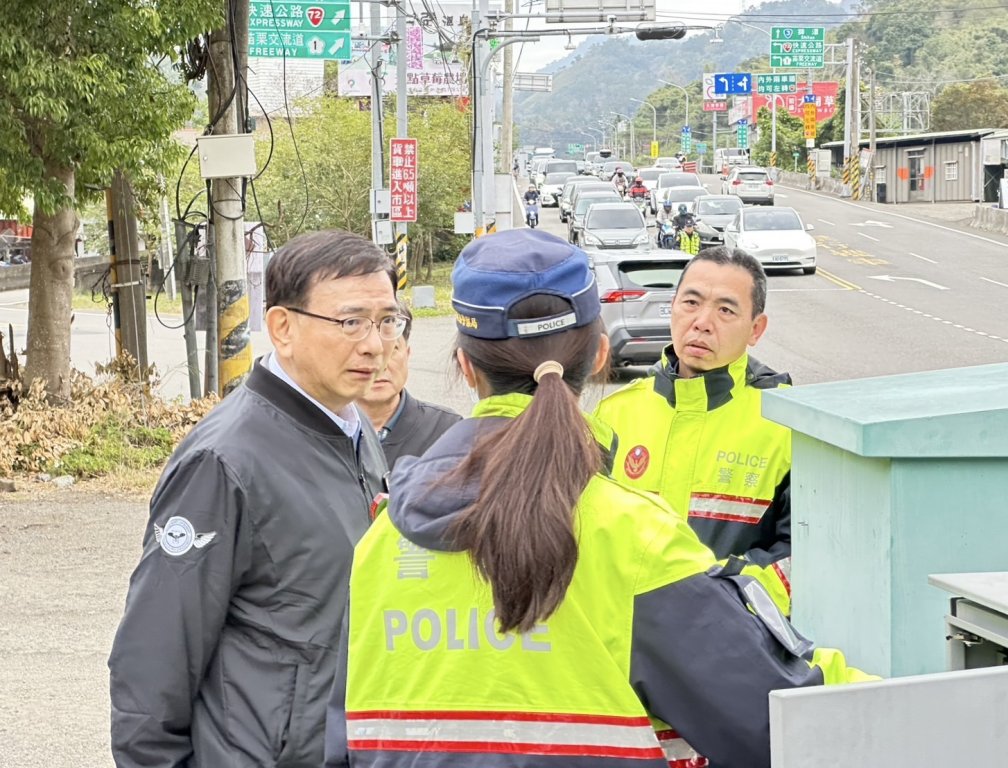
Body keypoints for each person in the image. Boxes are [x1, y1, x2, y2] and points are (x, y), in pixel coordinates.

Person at [324, 229, 873, 768]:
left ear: (465, 366)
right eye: (692, 302)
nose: (703, 321)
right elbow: (776, 720)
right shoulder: (630, 537)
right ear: (600, 354)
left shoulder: (381, 541)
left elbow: (341, 738)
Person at [109, 230, 402, 768]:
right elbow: (154, 656)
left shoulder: (351, 425)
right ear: (282, 327)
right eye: (351, 320)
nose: (375, 344)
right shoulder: (224, 461)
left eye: (387, 320)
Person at [595, 246, 794, 615]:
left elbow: (800, 553)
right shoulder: (614, 414)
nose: (702, 321)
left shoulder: (790, 420)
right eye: (691, 302)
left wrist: (719, 603)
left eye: (725, 310)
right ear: (673, 306)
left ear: (756, 329)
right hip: (625, 643)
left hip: (735, 642)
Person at [356, 302, 462, 469]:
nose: (380, 366)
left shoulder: (447, 431)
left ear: (407, 354)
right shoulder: (320, 431)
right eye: (366, 353)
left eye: (392, 350)